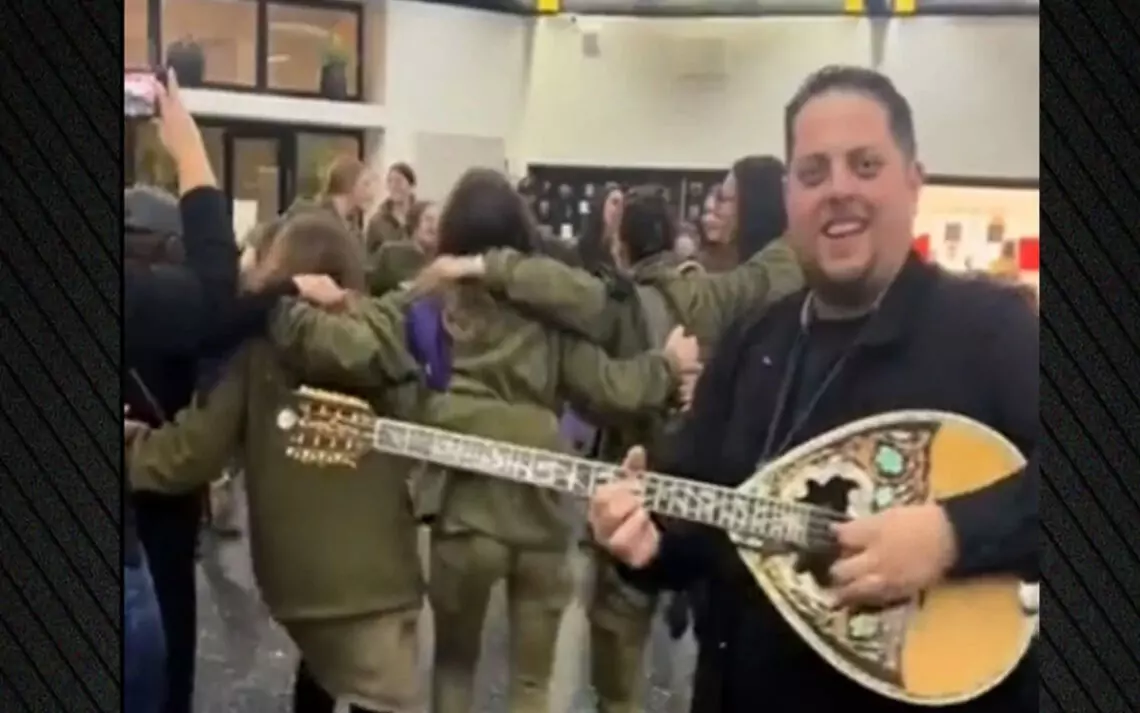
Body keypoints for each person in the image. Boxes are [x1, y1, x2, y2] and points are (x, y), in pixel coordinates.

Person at [587, 65, 1038, 713]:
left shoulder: (992, 330)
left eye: (865, 165)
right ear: (789, 199)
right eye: (813, 172)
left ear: (914, 181)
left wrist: (952, 534)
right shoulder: (753, 340)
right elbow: (707, 527)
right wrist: (646, 544)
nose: (838, 190)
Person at [267, 167, 702, 713]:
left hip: (464, 511)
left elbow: (349, 346)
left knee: (455, 665)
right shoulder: (550, 314)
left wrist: (274, 303)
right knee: (530, 683)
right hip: (542, 511)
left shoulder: (428, 301)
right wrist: (667, 366)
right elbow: (612, 389)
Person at [126, 212, 424, 713]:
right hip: (382, 579)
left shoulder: (255, 352)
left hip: (296, 579)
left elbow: (189, 455)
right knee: (381, 693)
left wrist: (131, 446)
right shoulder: (383, 345)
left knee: (325, 668)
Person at [366, 199, 439, 296]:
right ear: (414, 223)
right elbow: (371, 289)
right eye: (429, 219)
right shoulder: (390, 253)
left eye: (439, 221)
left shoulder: (442, 259)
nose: (434, 226)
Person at [365, 162, 418, 251]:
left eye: (398, 181)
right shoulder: (377, 222)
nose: (393, 186)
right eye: (390, 181)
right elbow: (369, 255)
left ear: (411, 184)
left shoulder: (421, 217)